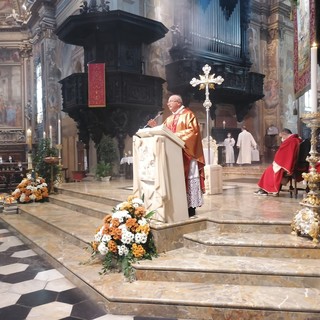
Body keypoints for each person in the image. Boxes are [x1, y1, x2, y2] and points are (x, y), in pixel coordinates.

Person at [148, 94, 205, 218]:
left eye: (171, 101)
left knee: (190, 178)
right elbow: (164, 132)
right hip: (174, 156)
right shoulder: (169, 119)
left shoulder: (188, 114)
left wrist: (174, 135)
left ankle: (191, 208)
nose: (168, 104)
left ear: (178, 102)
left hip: (187, 154)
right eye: (168, 102)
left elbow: (193, 132)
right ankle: (179, 205)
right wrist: (155, 127)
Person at [254, 128, 302, 196]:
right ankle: (263, 189)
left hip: (285, 165)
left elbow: (284, 154)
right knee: (270, 169)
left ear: (284, 134)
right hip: (288, 163)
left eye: (282, 137)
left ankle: (266, 190)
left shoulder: (290, 141)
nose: (282, 139)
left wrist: (278, 163)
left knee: (269, 170)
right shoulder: (295, 140)